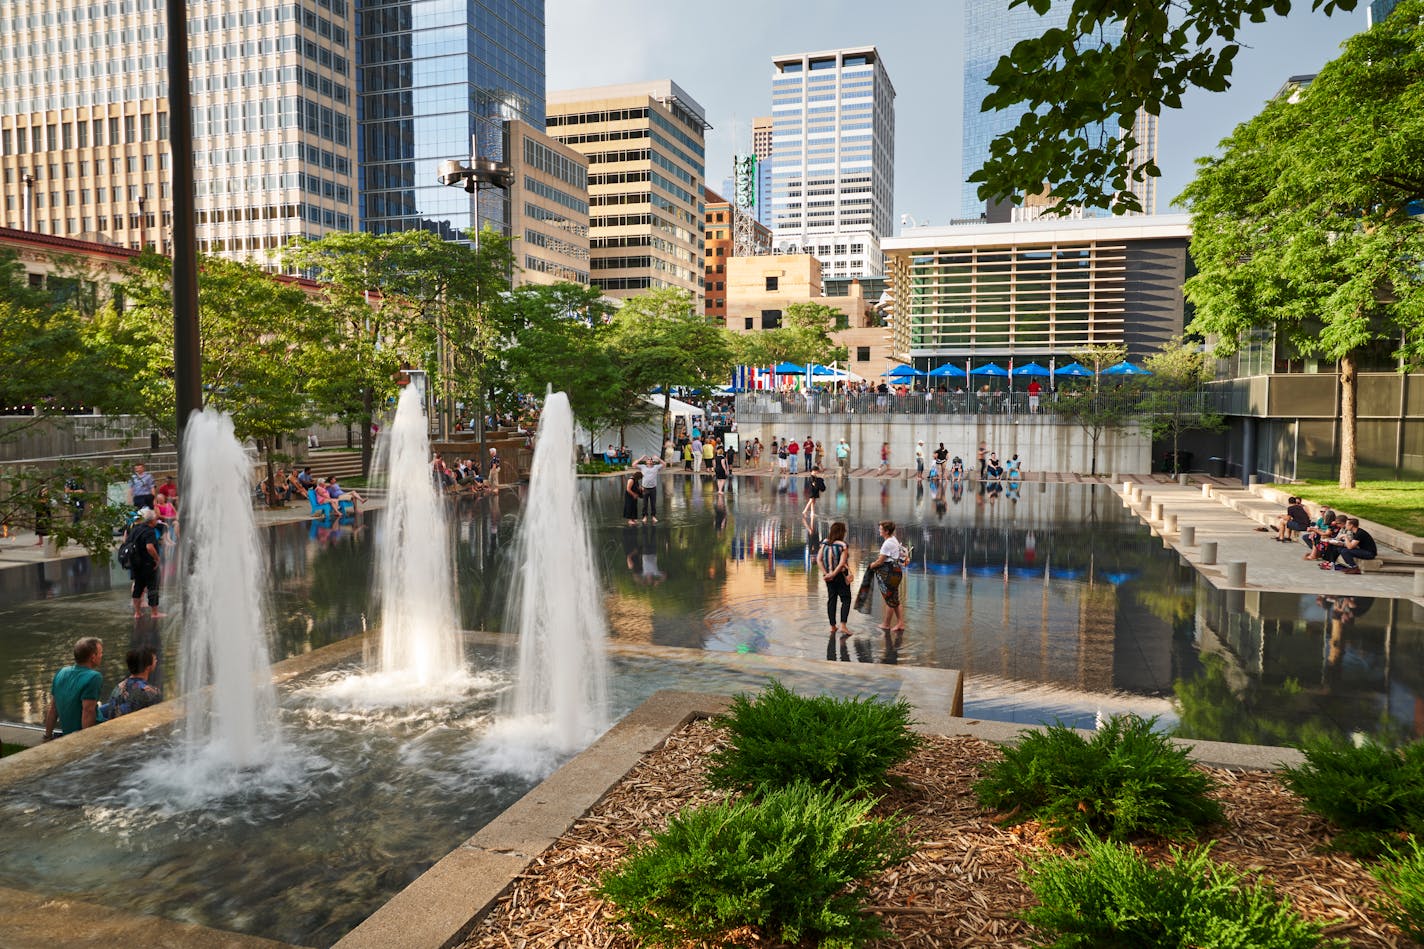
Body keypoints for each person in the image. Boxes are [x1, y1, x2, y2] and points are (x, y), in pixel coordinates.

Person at [42, 637, 104, 741]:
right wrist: (87, 743)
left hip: (68, 731)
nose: (102, 655)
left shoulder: (61, 672)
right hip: (88, 732)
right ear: (93, 657)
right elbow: (88, 712)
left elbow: (53, 708)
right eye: (101, 652)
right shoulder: (94, 677)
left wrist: (47, 736)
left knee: (109, 706)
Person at [99, 647, 161, 720]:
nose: (156, 661)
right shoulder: (151, 692)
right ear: (148, 667)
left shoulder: (118, 687)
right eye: (154, 660)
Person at [867, 520, 906, 634]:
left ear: (886, 531)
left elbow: (880, 561)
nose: (879, 530)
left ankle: (886, 624)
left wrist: (871, 565)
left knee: (890, 599)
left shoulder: (887, 544)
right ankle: (900, 623)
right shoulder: (893, 539)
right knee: (894, 599)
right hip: (896, 571)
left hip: (889, 573)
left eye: (881, 529)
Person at [818, 521, 852, 640]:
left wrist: (826, 574)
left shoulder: (824, 543)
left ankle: (832, 626)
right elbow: (842, 562)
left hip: (828, 577)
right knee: (846, 599)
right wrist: (834, 574)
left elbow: (819, 559)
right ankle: (843, 625)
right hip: (840, 575)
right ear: (842, 532)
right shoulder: (843, 545)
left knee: (832, 599)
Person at [126, 508, 162, 619]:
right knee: (153, 587)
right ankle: (154, 613)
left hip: (135, 563)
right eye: (156, 519)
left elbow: (126, 542)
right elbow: (149, 547)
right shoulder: (149, 531)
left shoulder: (135, 529)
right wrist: (157, 559)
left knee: (138, 586)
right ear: (151, 521)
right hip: (147, 563)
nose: (157, 521)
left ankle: (137, 613)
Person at [635, 453, 664, 522]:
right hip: (645, 488)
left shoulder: (656, 467)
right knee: (645, 504)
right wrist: (641, 458)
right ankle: (644, 516)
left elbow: (664, 464)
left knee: (653, 504)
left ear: (652, 462)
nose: (650, 460)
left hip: (653, 488)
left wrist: (658, 458)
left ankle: (653, 516)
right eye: (648, 459)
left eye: (651, 460)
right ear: (646, 462)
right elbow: (633, 464)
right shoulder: (643, 467)